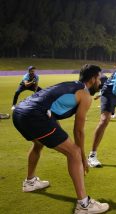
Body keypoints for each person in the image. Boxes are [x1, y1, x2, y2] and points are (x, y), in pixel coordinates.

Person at [12, 64, 109, 213]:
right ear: (93, 78)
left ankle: (30, 182)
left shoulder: (69, 85)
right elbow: (78, 131)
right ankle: (84, 205)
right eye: (99, 78)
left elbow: (51, 111)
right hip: (34, 116)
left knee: (39, 143)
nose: (100, 82)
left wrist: (59, 134)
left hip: (19, 112)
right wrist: (82, 157)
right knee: (74, 152)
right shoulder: (85, 95)